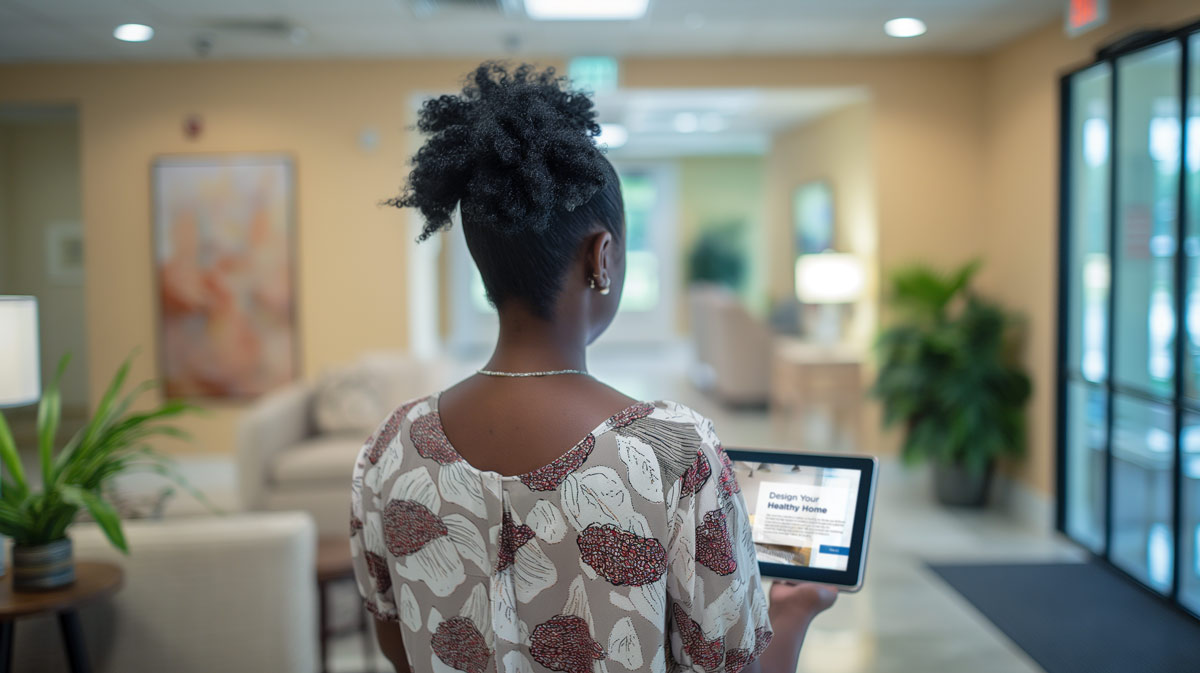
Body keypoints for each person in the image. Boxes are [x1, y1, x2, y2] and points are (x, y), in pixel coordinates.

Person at [350, 62, 837, 673]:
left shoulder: (389, 448)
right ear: (601, 256)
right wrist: (793, 614)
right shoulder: (676, 452)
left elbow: (398, 650)